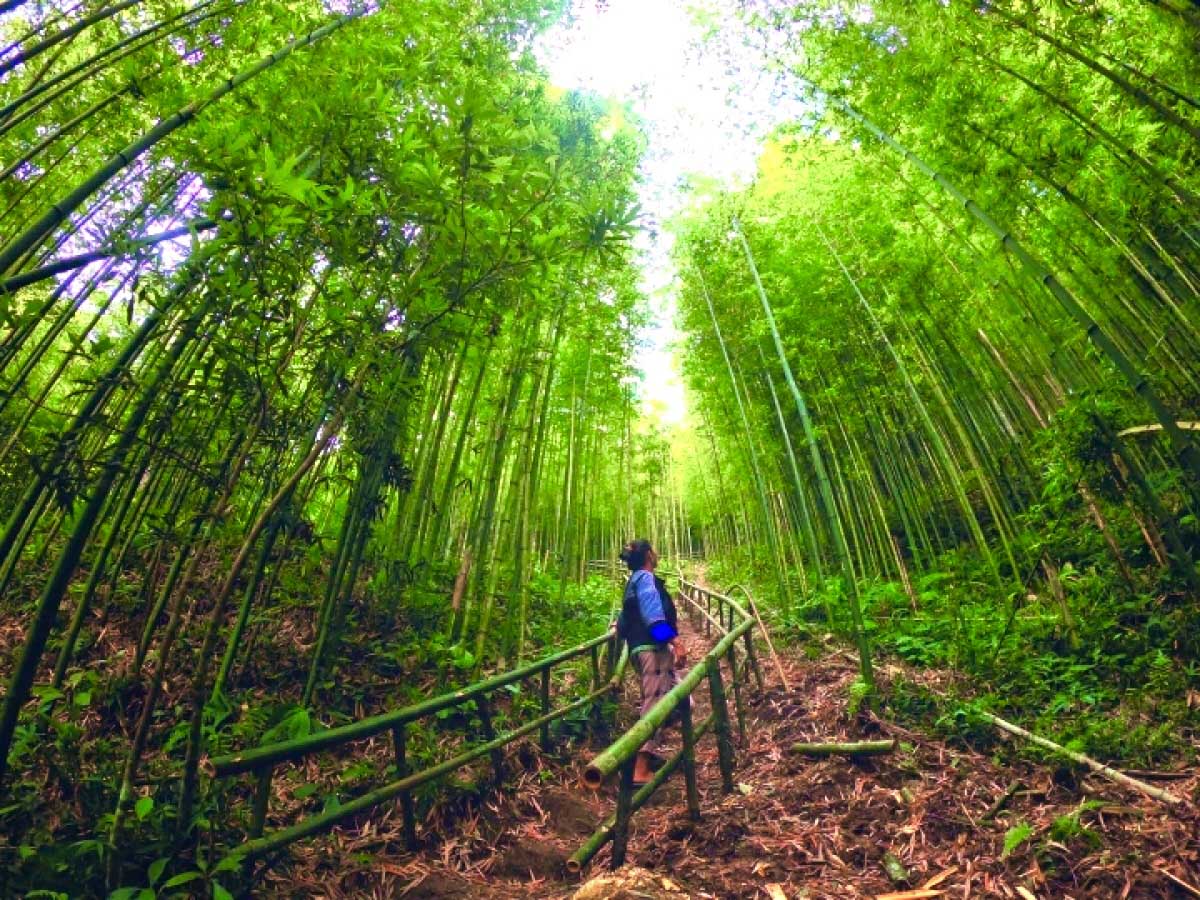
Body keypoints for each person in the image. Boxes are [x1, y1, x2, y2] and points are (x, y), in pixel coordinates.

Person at [614, 538, 687, 785]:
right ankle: (639, 768)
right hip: (651, 650)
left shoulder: (632, 582)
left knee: (683, 701)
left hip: (642, 649)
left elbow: (623, 625)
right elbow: (654, 619)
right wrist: (675, 642)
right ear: (648, 555)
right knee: (655, 705)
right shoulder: (644, 579)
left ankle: (646, 753)